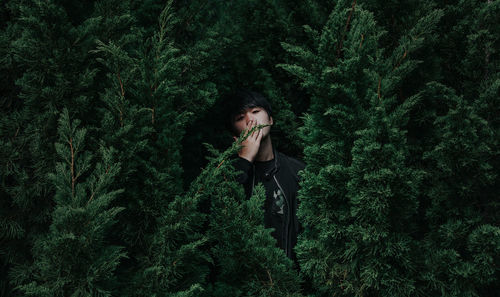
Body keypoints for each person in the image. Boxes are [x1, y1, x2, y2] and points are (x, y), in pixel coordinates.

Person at [224, 89, 305, 264]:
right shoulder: (226, 177)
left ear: (270, 119)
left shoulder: (297, 171)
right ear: (235, 137)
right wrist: (244, 160)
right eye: (240, 118)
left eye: (255, 111)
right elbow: (222, 219)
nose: (250, 120)